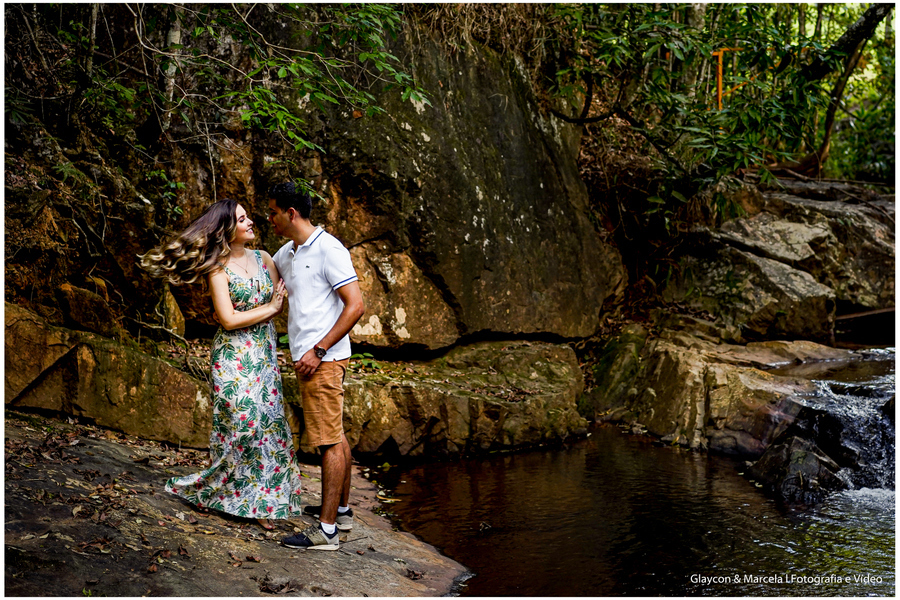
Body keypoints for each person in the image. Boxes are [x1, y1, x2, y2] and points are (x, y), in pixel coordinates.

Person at [140, 198, 303, 531]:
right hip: (233, 356)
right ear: (227, 228)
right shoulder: (217, 268)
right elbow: (227, 319)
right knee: (242, 425)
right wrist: (271, 309)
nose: (251, 221)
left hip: (264, 354)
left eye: (248, 216)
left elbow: (287, 292)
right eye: (242, 219)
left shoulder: (265, 258)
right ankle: (225, 491)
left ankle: (262, 502)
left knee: (267, 427)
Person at [267, 182, 365, 551]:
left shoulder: (329, 249)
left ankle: (326, 532)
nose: (269, 218)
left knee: (327, 442)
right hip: (311, 360)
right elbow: (265, 268)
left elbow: (355, 305)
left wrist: (319, 350)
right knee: (334, 434)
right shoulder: (288, 252)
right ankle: (341, 512)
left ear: (291, 213)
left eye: (273, 212)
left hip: (322, 361)